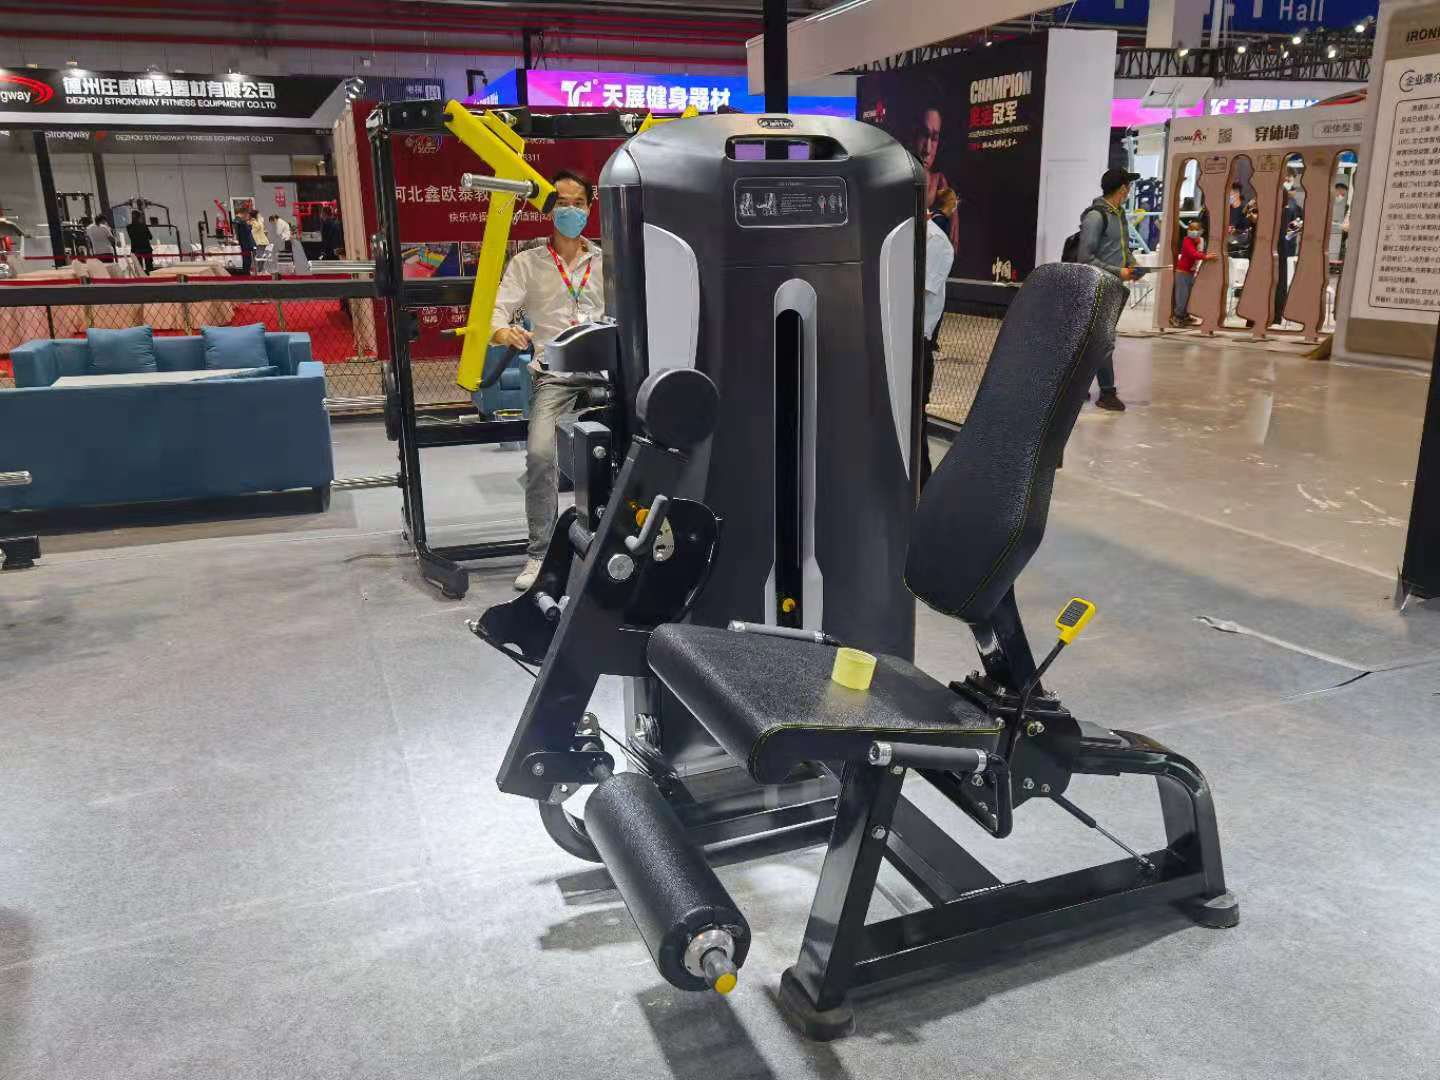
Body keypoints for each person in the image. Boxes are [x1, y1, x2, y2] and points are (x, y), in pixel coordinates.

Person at [491, 170, 606, 591]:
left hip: (608, 374)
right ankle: (539, 555)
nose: (570, 210)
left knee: (631, 452)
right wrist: (504, 332)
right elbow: (496, 314)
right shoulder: (528, 263)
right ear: (549, 209)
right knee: (540, 456)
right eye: (562, 203)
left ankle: (611, 546)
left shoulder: (606, 261)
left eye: (578, 203)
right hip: (555, 377)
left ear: (590, 208)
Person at [1074, 167, 1143, 412]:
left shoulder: (1118, 214)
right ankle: (1107, 392)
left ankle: (1076, 387)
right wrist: (1118, 271)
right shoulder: (1096, 217)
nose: (1130, 190)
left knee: (1092, 339)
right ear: (1123, 189)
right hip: (1097, 287)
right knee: (1104, 340)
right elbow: (1085, 258)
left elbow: (1122, 249)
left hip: (1114, 287)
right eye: (1129, 186)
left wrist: (1133, 264)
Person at [920, 188, 956, 487]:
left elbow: (920, 292)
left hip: (916, 342)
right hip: (898, 341)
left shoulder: (935, 242)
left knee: (915, 417)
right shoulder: (922, 238)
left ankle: (921, 483)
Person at [913, 107, 959, 249]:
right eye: (924, 134)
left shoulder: (937, 180)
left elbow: (950, 201)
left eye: (934, 139)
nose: (927, 150)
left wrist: (954, 214)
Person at [1171, 220, 1218, 328]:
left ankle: (1184, 316)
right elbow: (1193, 254)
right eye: (1191, 229)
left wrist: (1200, 246)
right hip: (1182, 273)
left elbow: (1199, 252)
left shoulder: (1198, 241)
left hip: (1190, 272)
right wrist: (1206, 257)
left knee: (1188, 296)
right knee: (1182, 296)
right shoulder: (1187, 240)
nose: (1194, 231)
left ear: (1201, 231)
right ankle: (1177, 317)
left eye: (1197, 229)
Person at [1273, 177, 1303, 326]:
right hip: (1285, 248)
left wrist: (1284, 237)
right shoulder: (1294, 206)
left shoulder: (1292, 207)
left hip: (1282, 248)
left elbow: (1297, 226)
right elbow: (1298, 225)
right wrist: (1286, 238)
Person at [233, 207, 256, 274]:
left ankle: (247, 272)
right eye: (247, 214)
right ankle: (246, 273)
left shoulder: (238, 221)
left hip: (244, 243)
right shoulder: (241, 221)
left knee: (247, 260)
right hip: (245, 243)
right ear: (244, 213)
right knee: (247, 260)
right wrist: (250, 225)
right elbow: (246, 231)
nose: (247, 216)